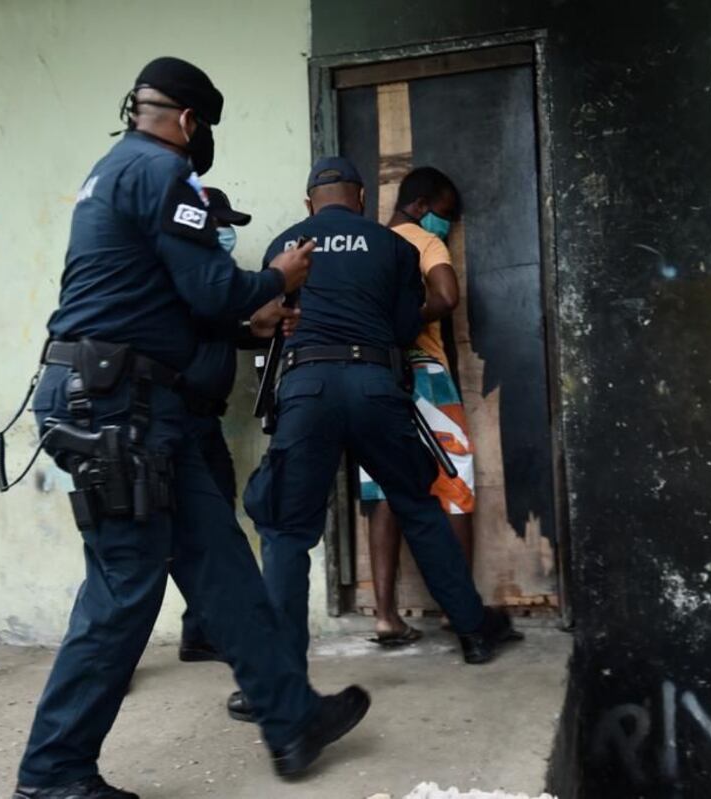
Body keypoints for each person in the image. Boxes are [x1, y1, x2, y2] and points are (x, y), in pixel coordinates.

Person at [11, 58, 367, 798]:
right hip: (116, 406)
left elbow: (170, 305)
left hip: (136, 404)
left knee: (222, 567)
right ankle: (53, 773)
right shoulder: (164, 174)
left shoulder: (115, 168)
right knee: (124, 588)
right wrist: (280, 278)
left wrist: (249, 316)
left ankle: (290, 717)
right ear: (189, 122)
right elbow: (211, 285)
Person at [230, 155, 521, 722]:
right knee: (417, 505)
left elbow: (269, 318)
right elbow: (401, 326)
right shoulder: (395, 247)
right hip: (373, 386)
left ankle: (279, 680)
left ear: (308, 201)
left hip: (307, 388)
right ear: (360, 199)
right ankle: (474, 632)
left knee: (288, 534)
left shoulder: (285, 244)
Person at [174, 187, 293, 663]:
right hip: (173, 422)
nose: (224, 234)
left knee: (214, 528)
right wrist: (272, 281)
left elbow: (211, 332)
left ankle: (203, 632)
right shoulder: (183, 275)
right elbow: (195, 326)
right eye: (218, 223)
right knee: (146, 548)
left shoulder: (207, 279)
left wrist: (252, 330)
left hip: (202, 421)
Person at [359, 166, 476, 645]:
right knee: (455, 483)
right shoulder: (422, 241)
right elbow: (447, 296)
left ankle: (386, 616)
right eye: (446, 216)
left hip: (374, 380)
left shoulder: (365, 243)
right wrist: (407, 318)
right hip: (424, 374)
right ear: (423, 206)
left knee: (382, 491)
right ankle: (458, 611)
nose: (447, 227)